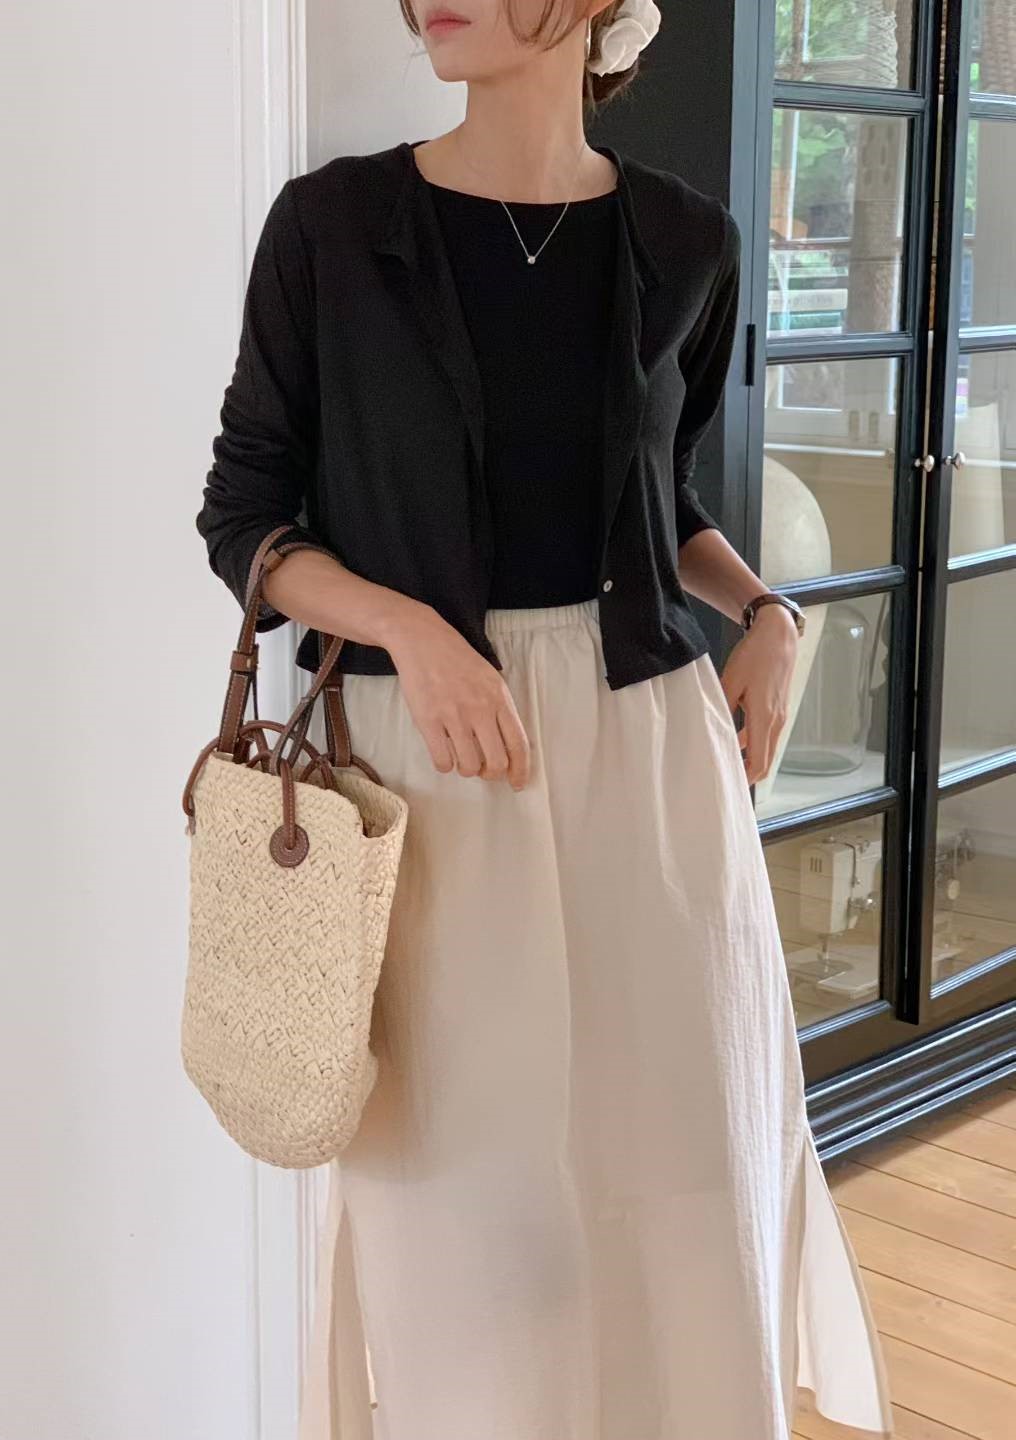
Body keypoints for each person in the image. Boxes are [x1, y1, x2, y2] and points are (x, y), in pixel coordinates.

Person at [195, 3, 896, 1436]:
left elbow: (659, 500)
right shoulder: (333, 229)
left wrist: (768, 611)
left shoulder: (687, 239)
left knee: (679, 1164)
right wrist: (408, 630)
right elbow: (244, 519)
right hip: (427, 761)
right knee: (464, 1206)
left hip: (644, 752)